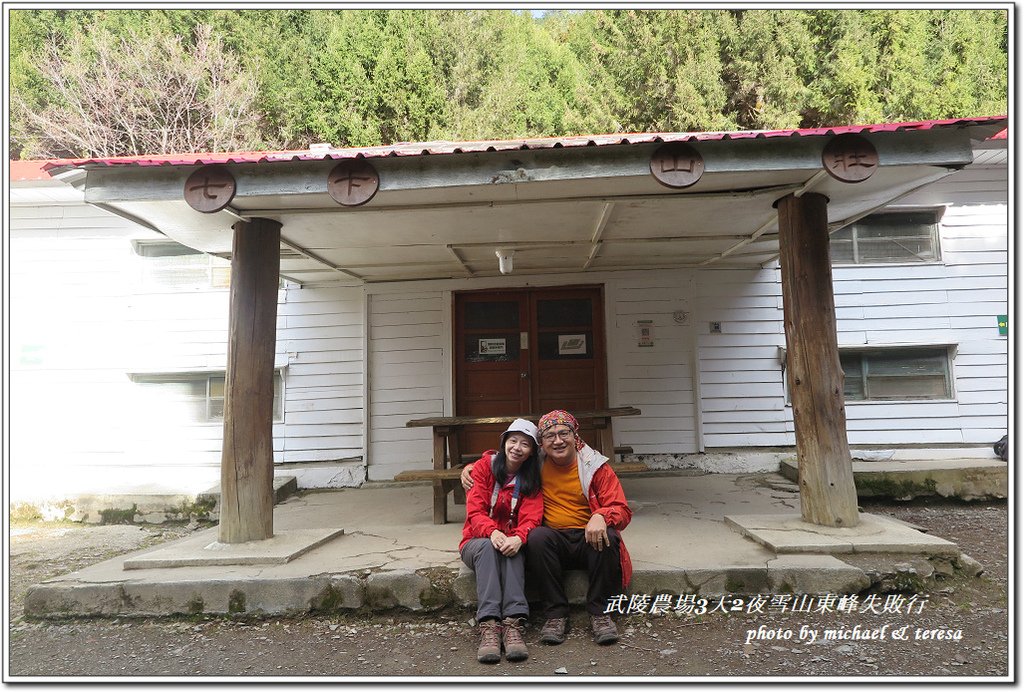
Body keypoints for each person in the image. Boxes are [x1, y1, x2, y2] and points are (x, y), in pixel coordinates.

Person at [462, 410, 632, 646]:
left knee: (609, 537)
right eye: (550, 436)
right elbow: (504, 458)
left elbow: (622, 509)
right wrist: (470, 467)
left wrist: (602, 515)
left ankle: (600, 613)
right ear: (541, 443)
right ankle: (556, 614)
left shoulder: (595, 467)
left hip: (587, 537)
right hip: (555, 540)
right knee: (538, 537)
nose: (558, 440)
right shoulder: (537, 463)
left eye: (564, 433)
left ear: (575, 436)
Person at [459, 418, 544, 663]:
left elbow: (532, 516)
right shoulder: (485, 467)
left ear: (531, 452)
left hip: (509, 541)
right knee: (488, 547)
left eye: (525, 444)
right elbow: (474, 512)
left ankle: (513, 624)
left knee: (514, 549)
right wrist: (492, 531)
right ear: (504, 442)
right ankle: (489, 624)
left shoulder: (532, 479)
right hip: (476, 541)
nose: (517, 447)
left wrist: (519, 536)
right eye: (513, 440)